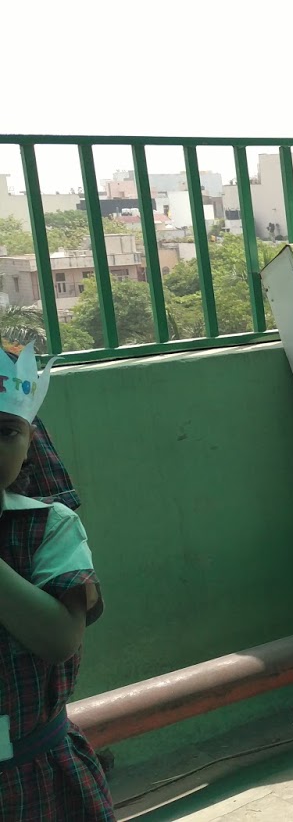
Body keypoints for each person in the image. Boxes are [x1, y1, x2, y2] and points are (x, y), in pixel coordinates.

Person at [0, 344, 114, 820]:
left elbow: (60, 639)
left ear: (30, 444)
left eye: (5, 432)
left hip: (37, 776)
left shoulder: (49, 526)